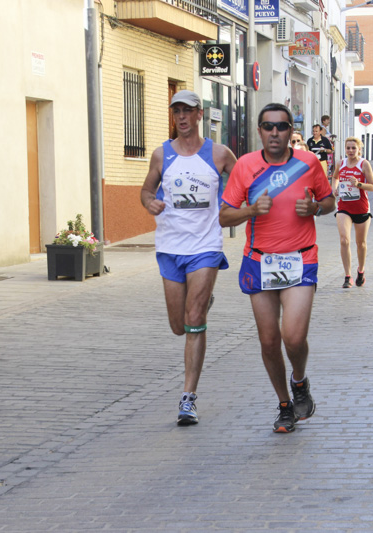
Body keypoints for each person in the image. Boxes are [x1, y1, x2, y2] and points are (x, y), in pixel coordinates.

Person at [219, 103, 335, 433]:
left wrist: (315, 207)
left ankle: (299, 381)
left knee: (293, 337)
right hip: (259, 260)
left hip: (301, 259)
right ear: (259, 131)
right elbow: (224, 215)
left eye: (281, 127)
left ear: (289, 131)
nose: (275, 133)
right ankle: (285, 404)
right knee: (269, 341)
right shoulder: (245, 166)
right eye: (268, 127)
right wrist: (251, 210)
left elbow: (329, 202)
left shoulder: (308, 163)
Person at [140, 90, 238, 426]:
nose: (181, 117)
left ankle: (188, 398)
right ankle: (201, 301)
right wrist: (149, 202)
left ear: (200, 115)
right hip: (170, 246)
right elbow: (146, 190)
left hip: (205, 246)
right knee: (178, 326)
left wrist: (235, 207)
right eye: (176, 111)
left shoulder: (220, 154)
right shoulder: (161, 155)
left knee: (194, 318)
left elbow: (241, 187)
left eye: (188, 111)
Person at [331, 137, 373, 288]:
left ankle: (361, 271)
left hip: (361, 207)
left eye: (353, 148)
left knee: (361, 243)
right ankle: (347, 276)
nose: (350, 151)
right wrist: (335, 188)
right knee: (344, 240)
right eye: (348, 148)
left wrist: (358, 184)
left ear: (359, 150)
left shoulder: (364, 164)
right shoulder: (340, 163)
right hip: (344, 206)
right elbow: (335, 177)